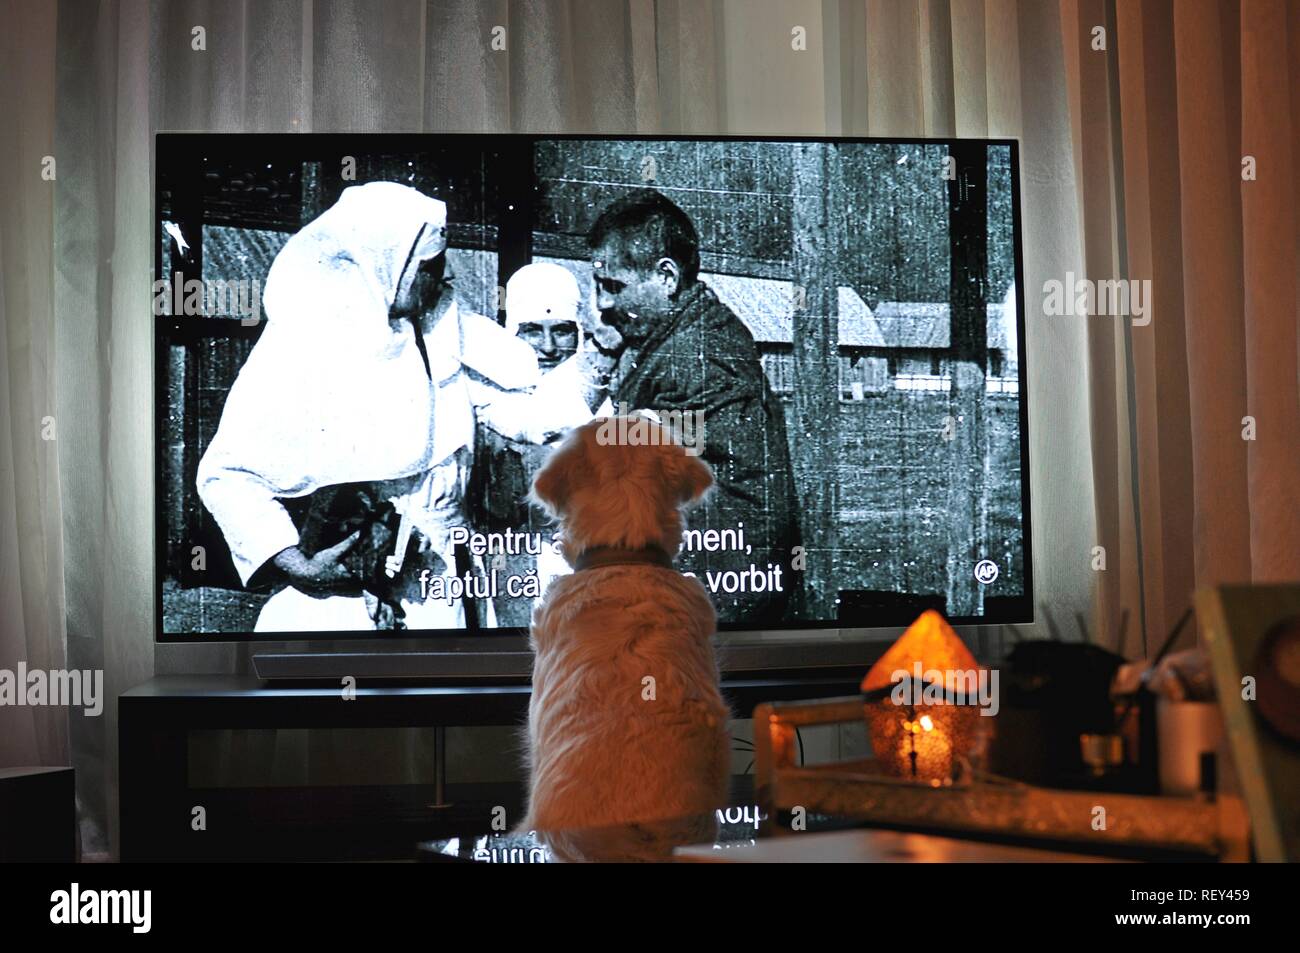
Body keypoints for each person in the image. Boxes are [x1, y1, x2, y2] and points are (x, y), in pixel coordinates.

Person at [197, 181, 551, 633]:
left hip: (445, 588)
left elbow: (521, 410)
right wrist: (295, 564)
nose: (443, 279)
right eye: (429, 266)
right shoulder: (299, 349)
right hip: (340, 602)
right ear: (384, 264)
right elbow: (225, 477)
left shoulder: (445, 334)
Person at [586, 188, 802, 622]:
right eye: (598, 286)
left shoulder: (698, 355)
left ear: (667, 277)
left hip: (716, 594)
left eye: (614, 286)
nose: (604, 304)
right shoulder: (688, 334)